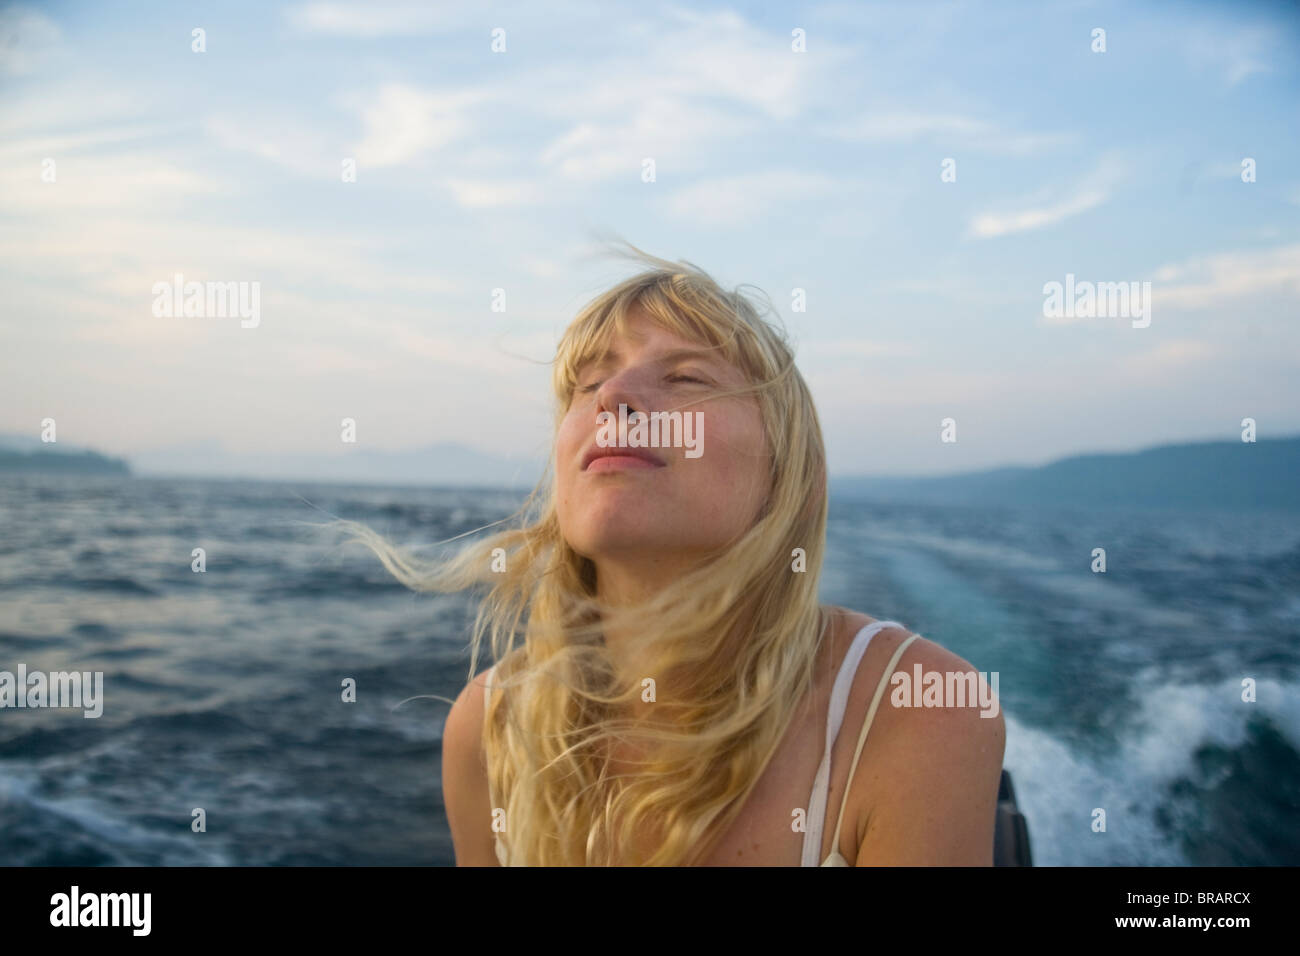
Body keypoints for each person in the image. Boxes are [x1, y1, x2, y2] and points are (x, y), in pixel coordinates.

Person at [349, 241, 1004, 865]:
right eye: (587, 381)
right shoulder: (488, 727)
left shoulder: (920, 713)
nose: (612, 396)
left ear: (786, 471)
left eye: (686, 376)